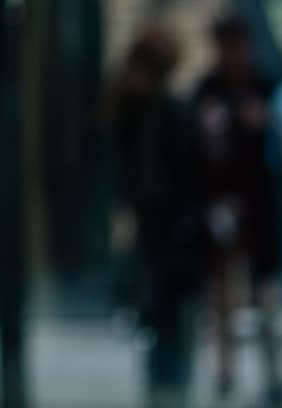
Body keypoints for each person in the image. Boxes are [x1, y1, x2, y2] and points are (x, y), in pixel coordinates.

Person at [105, 24, 203, 408]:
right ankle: (163, 389)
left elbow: (187, 176)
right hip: (154, 231)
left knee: (172, 319)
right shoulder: (131, 114)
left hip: (173, 232)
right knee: (159, 317)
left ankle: (169, 389)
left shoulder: (172, 114)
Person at [193, 14, 282, 406]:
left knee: (267, 292)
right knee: (222, 295)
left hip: (260, 203)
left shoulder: (265, 84)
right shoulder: (208, 89)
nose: (233, 54)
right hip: (222, 204)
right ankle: (225, 372)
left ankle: (275, 375)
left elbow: (281, 143)